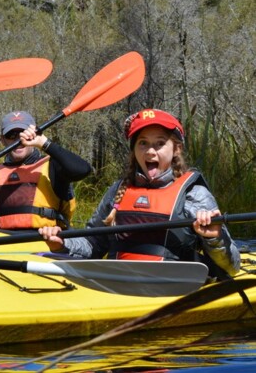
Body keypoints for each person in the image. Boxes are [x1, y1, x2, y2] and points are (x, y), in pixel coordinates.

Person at [39, 108, 241, 279]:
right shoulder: (119, 190)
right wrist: (62, 244)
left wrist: (215, 237)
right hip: (119, 283)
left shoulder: (195, 194)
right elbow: (93, 245)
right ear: (134, 150)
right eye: (142, 143)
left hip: (175, 288)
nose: (150, 151)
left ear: (176, 149)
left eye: (160, 143)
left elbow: (232, 267)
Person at [0, 110, 92, 230]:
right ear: (3, 140)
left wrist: (44, 143)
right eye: (11, 136)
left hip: (49, 246)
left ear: (34, 135)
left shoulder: (53, 166)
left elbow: (82, 170)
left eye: (23, 134)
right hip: (5, 249)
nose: (18, 140)